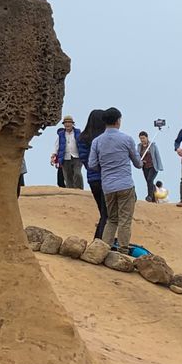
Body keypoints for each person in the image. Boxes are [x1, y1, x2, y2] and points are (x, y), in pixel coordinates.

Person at [88, 107, 142, 255]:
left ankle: (103, 249)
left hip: (108, 186)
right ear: (118, 121)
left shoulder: (97, 141)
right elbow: (138, 163)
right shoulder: (127, 139)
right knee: (125, 219)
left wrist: (105, 167)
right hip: (125, 184)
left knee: (111, 219)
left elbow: (92, 164)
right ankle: (123, 250)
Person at [78, 109, 108, 239]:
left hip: (92, 179)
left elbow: (84, 158)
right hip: (105, 178)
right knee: (106, 214)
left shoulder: (82, 138)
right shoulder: (103, 138)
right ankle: (99, 240)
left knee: (103, 212)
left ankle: (100, 239)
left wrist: (91, 169)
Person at [51, 115, 84, 189]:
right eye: (65, 122)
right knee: (68, 177)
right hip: (65, 158)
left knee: (77, 174)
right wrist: (53, 155)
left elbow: (83, 143)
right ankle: (71, 193)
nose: (67, 124)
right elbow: (56, 146)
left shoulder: (78, 133)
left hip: (77, 157)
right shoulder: (61, 135)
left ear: (72, 124)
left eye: (69, 122)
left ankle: (80, 190)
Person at [137, 131, 163, 202]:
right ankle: (154, 198)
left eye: (143, 138)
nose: (142, 140)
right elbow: (137, 156)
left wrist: (159, 166)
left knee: (149, 180)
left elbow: (157, 156)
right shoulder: (139, 146)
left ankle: (149, 196)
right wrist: (139, 162)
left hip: (153, 166)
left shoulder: (152, 145)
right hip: (145, 167)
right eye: (141, 138)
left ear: (147, 137)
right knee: (149, 182)